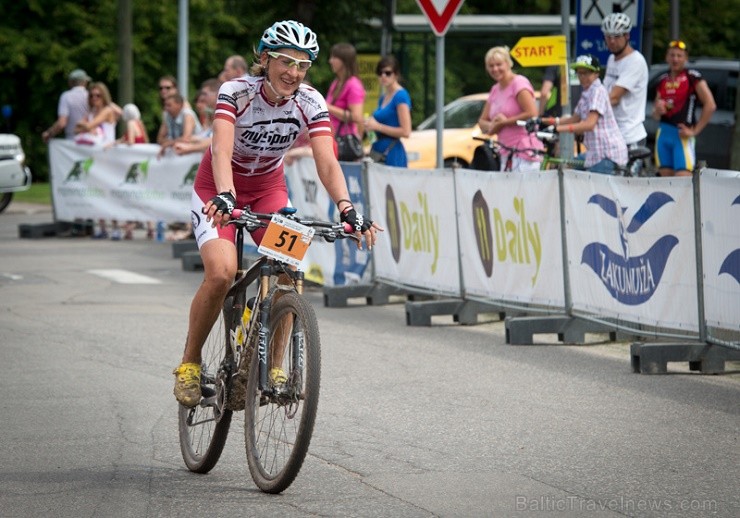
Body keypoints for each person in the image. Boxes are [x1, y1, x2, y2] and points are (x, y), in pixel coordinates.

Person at [172, 20, 382, 407]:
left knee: (289, 266)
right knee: (220, 273)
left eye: (303, 65)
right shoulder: (236, 92)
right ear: (265, 59)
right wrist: (224, 195)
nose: (294, 73)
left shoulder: (311, 101)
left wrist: (348, 208)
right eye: (286, 62)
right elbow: (220, 149)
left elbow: (327, 162)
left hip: (268, 189)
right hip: (219, 187)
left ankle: (274, 366)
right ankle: (189, 362)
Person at [543, 54, 627, 174]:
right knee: (568, 168)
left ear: (596, 73)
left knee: (595, 191)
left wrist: (558, 129)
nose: (582, 77)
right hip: (594, 152)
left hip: (606, 153)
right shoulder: (587, 92)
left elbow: (589, 124)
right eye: (579, 73)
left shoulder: (597, 90)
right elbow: (574, 118)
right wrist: (546, 121)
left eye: (586, 73)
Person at [651, 40, 717, 176]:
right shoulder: (662, 80)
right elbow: (655, 114)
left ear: (686, 58)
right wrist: (657, 110)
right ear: (666, 57)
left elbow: (710, 105)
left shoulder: (692, 77)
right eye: (672, 55)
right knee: (665, 185)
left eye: (679, 56)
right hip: (663, 134)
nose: (675, 59)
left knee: (682, 180)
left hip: (682, 135)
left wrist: (695, 131)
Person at [477, 46, 543, 171]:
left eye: (498, 64)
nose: (495, 69)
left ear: (508, 64)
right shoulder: (495, 89)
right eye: (491, 66)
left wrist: (504, 122)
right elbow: (482, 122)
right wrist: (494, 124)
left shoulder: (519, 83)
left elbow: (532, 113)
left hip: (525, 151)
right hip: (505, 151)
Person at [74, 82, 122, 239]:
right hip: (95, 158)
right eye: (92, 95)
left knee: (110, 194)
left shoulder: (107, 110)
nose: (95, 98)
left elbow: (89, 125)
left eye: (98, 95)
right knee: (98, 194)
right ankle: (102, 227)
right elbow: (76, 128)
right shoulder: (91, 112)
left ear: (104, 96)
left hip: (107, 158)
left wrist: (87, 127)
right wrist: (86, 126)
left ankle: (115, 228)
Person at [601, 12, 648, 153]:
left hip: (630, 135)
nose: (612, 41)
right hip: (612, 133)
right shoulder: (611, 59)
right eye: (608, 37)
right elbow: (603, 92)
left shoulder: (635, 61)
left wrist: (587, 113)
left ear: (627, 36)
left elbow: (613, 98)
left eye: (617, 36)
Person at [364, 55, 412, 167]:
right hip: (378, 150)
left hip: (392, 152)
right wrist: (370, 127)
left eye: (388, 73)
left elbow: (406, 131)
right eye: (380, 73)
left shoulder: (401, 96)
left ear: (396, 74)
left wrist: (378, 126)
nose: (383, 76)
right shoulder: (384, 97)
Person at [326, 43, 366, 159]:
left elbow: (357, 117)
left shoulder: (353, 84)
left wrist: (327, 107)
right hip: (332, 139)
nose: (330, 61)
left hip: (344, 141)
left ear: (344, 61)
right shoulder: (337, 82)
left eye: (334, 57)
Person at [42, 69, 91, 142]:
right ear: (85, 82)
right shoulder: (92, 97)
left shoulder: (66, 96)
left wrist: (49, 133)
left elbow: (62, 123)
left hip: (72, 140)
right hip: (91, 139)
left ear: (70, 82)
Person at [156, 92, 202, 157]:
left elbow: (186, 139)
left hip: (195, 153)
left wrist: (168, 143)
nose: (166, 108)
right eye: (165, 105)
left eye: (169, 105)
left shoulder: (187, 115)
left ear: (179, 105)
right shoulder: (167, 115)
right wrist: (173, 142)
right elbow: (160, 139)